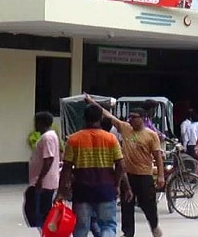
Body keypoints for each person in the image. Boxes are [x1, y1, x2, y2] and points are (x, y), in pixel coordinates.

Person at [90, 96, 165, 237]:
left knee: (148, 205)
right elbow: (108, 115)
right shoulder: (125, 128)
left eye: (134, 117)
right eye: (130, 117)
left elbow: (158, 156)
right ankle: (128, 233)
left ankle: (154, 226)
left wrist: (161, 175)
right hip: (128, 175)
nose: (131, 119)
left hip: (144, 175)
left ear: (142, 118)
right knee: (127, 205)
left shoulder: (151, 135)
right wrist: (91, 102)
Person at [58, 104, 131, 237]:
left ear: (84, 118)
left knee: (81, 227)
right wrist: (117, 184)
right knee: (108, 225)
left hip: (82, 190)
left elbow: (66, 168)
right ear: (101, 118)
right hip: (106, 189)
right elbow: (121, 165)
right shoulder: (110, 139)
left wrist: (61, 191)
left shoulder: (73, 139)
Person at [24, 112, 61, 229]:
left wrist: (40, 179)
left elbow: (49, 159)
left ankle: (45, 231)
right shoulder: (50, 135)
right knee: (38, 209)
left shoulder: (47, 137)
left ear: (41, 123)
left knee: (40, 212)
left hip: (44, 183)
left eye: (36, 122)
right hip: (43, 181)